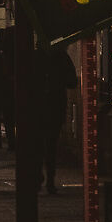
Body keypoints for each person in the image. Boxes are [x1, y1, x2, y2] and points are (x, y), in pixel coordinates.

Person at [38, 48, 78, 195]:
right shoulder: (62, 57)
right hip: (55, 105)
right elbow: (72, 82)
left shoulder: (35, 57)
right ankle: (49, 180)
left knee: (38, 143)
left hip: (37, 106)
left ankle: (38, 175)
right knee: (51, 145)